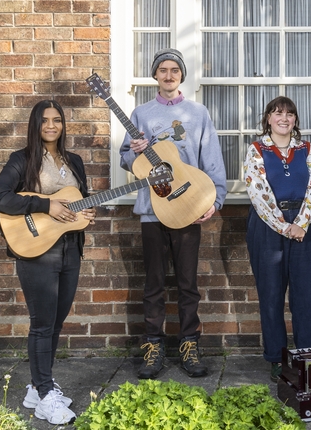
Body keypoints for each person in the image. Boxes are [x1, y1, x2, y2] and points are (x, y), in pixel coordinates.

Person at [119, 48, 227, 379]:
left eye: (174, 70)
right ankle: (153, 347)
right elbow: (126, 160)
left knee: (187, 284)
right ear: (155, 76)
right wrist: (136, 152)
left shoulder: (197, 113)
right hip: (153, 212)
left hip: (189, 210)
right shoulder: (141, 114)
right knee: (153, 284)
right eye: (163, 70)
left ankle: (189, 345)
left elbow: (211, 159)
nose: (169, 75)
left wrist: (216, 200)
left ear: (181, 75)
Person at [0, 100, 97, 425]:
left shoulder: (74, 161)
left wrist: (86, 214)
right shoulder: (22, 160)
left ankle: (38, 389)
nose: (52, 126)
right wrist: (46, 205)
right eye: (45, 120)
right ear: (36, 124)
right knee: (42, 324)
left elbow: (82, 200)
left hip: (68, 250)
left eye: (58, 120)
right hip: (37, 251)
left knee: (57, 321)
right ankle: (45, 394)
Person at [243, 96, 311, 382]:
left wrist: (301, 223)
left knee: (308, 296)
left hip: (305, 228)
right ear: (268, 118)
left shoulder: (307, 150)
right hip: (267, 229)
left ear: (295, 120)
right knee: (271, 295)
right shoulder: (255, 151)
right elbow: (258, 192)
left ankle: (309, 356)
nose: (284, 118)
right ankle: (277, 358)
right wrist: (283, 226)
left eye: (290, 114)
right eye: (278, 114)